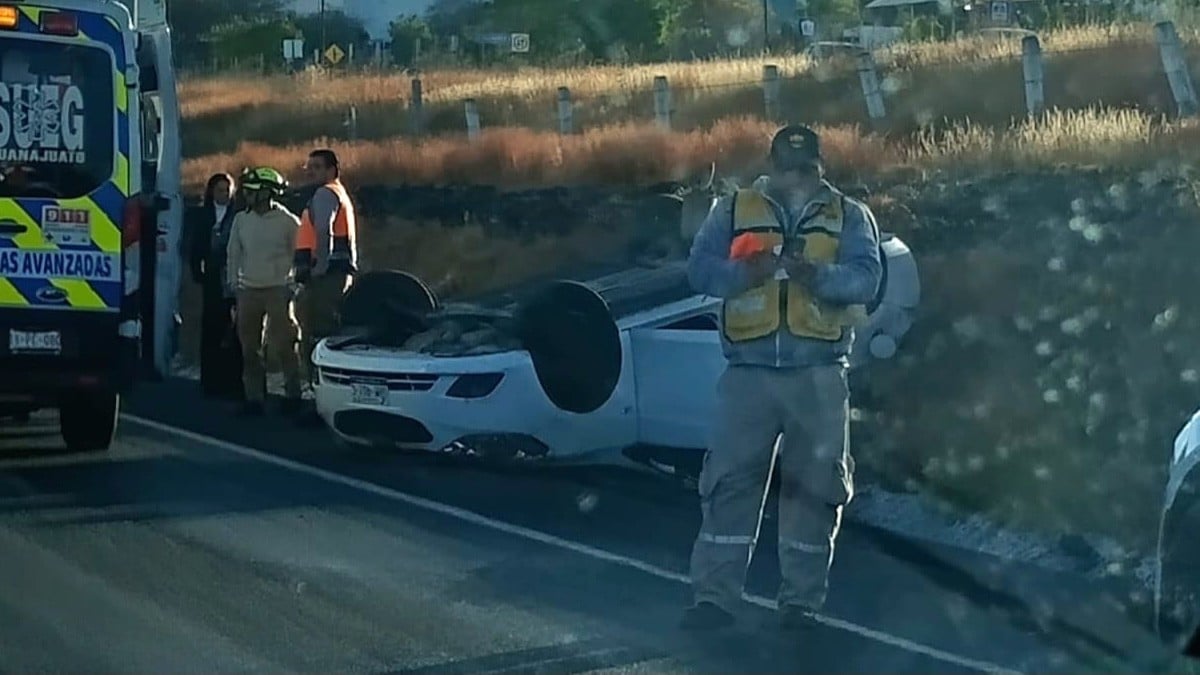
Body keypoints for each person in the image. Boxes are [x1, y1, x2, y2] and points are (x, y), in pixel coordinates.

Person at [681, 125, 883, 632]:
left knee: (814, 492)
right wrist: (745, 273)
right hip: (748, 373)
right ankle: (715, 601)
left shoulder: (850, 216)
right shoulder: (731, 209)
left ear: (819, 166)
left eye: (805, 168)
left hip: (818, 374)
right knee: (729, 484)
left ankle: (801, 606)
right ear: (771, 165)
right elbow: (700, 270)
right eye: (787, 167)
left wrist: (821, 278)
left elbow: (869, 278)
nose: (796, 176)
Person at [225, 166, 304, 416]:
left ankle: (293, 395)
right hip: (248, 290)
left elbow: (300, 255)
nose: (246, 196)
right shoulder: (241, 220)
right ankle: (254, 399)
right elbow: (233, 252)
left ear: (266, 193)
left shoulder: (288, 222)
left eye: (251, 192)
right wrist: (233, 283)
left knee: (285, 346)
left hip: (278, 290)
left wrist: (295, 285)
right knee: (250, 348)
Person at [294, 148, 358, 389]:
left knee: (316, 334)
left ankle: (319, 392)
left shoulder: (325, 193)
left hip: (324, 278)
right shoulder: (338, 193)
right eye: (309, 166)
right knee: (323, 330)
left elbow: (323, 230)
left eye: (317, 167)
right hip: (334, 275)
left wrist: (319, 266)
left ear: (332, 170)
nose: (311, 171)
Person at [188, 172, 244, 400]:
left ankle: (232, 380)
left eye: (227, 189)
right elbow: (195, 248)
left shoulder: (239, 215)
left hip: (233, 276)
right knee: (211, 327)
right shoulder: (203, 215)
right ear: (212, 192)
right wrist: (197, 273)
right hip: (211, 277)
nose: (224, 194)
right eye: (220, 189)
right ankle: (210, 380)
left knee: (233, 330)